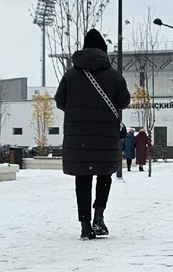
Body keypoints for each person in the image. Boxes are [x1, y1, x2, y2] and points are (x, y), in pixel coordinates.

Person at [54, 29, 131, 239]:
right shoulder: (114, 76)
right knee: (104, 175)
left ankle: (85, 225)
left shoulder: (70, 75)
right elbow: (124, 101)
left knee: (83, 178)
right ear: (103, 51)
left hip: (78, 137)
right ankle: (99, 216)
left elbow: (60, 101)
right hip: (106, 137)